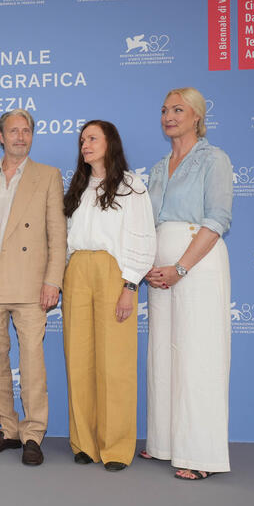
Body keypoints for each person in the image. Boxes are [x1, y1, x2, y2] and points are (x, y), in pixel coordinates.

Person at [142, 87, 233, 481]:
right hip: (160, 270)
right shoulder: (159, 167)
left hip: (197, 264)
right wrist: (149, 265)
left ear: (197, 116)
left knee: (198, 356)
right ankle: (164, 443)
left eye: (178, 109)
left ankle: (201, 454)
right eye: (165, 110)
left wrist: (180, 267)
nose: (169, 116)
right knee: (162, 355)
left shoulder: (214, 159)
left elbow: (218, 219)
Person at [0, 108, 67, 466]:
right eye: (13, 131)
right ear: (1, 137)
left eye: (26, 131)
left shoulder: (48, 175)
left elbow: (57, 234)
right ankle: (8, 428)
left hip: (30, 280)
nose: (20, 137)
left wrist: (53, 280)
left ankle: (32, 434)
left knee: (31, 361)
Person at [61, 121, 156, 471]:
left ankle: (115, 447)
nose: (85, 145)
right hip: (77, 269)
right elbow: (65, 235)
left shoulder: (131, 187)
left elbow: (143, 237)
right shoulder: (78, 186)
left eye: (93, 138)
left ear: (110, 143)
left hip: (114, 272)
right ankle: (83, 442)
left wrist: (130, 286)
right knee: (78, 359)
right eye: (82, 140)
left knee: (115, 362)